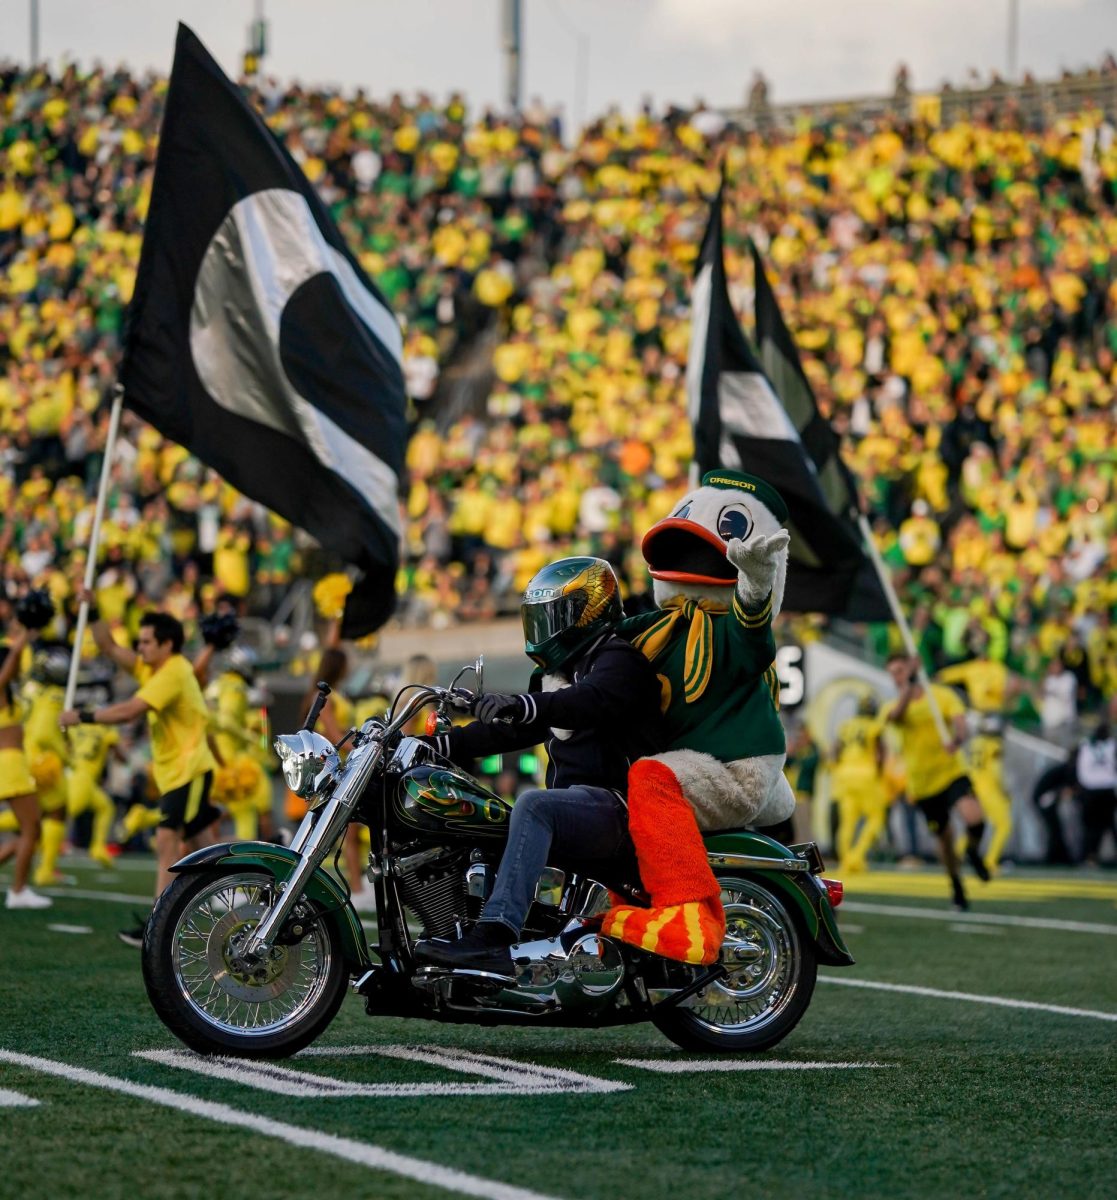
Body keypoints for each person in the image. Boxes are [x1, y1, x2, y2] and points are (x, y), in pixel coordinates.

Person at [415, 556, 662, 977]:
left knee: (533, 805)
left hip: (620, 807)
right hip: (579, 811)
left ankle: (495, 936)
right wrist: (436, 744)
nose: (544, 625)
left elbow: (585, 702)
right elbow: (506, 734)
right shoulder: (553, 676)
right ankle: (467, 925)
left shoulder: (619, 659)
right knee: (485, 819)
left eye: (553, 614)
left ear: (585, 611)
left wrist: (524, 705)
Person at [60, 606, 220, 946]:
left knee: (167, 840)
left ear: (167, 645)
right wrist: (93, 608)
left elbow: (130, 710)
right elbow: (107, 645)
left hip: (188, 769)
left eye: (146, 642)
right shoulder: (152, 668)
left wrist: (82, 715)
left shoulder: (172, 673)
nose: (140, 648)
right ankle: (256, 890)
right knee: (202, 846)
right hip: (177, 772)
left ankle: (157, 927)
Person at [885, 654, 988, 910]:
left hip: (951, 772)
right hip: (923, 785)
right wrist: (909, 684)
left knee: (975, 819)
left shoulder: (940, 696)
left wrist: (958, 738)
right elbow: (896, 718)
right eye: (893, 673)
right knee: (945, 838)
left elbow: (960, 723)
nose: (897, 677)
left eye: (900, 670)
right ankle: (956, 885)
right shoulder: (894, 705)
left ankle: (973, 852)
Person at [0, 625, 50, 908]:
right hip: (9, 766)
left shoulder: (8, 694)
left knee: (29, 831)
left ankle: (19, 888)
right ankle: (18, 891)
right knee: (32, 828)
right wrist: (20, 644)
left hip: (12, 764)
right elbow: (7, 669)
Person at [830, 695, 889, 873]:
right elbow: (881, 754)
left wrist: (838, 769)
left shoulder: (846, 726)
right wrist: (879, 773)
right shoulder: (875, 726)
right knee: (876, 818)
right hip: (866, 774)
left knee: (847, 822)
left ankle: (846, 861)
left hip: (844, 775)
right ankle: (856, 857)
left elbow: (835, 751)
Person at [1076, 724, 1116, 865]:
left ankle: (1090, 857)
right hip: (1107, 789)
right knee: (1110, 825)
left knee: (1091, 827)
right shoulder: (1111, 746)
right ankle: (1091, 857)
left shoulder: (1085, 746)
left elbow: (1079, 767)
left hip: (1090, 789)